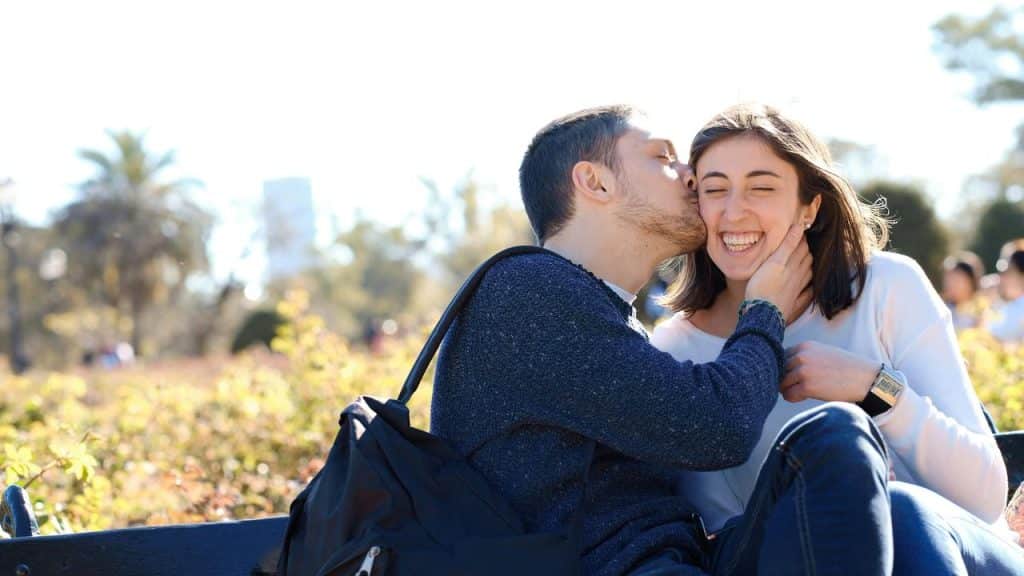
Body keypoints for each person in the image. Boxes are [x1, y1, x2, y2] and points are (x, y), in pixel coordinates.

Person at [433, 105, 900, 575]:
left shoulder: (600, 312)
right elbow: (719, 426)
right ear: (595, 182)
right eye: (663, 157)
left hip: (682, 560)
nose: (690, 175)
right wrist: (766, 310)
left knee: (839, 443)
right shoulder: (528, 291)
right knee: (836, 440)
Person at [651, 103, 1023, 575]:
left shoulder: (887, 287)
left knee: (899, 509)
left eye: (761, 187)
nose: (734, 210)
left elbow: (985, 494)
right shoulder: (676, 350)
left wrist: (875, 388)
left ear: (810, 207)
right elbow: (727, 538)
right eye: (714, 189)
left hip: (967, 550)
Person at [989, 243, 1024, 343]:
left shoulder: (1020, 307)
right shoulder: (1007, 305)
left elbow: (994, 335)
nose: (1001, 277)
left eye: (1006, 270)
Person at [942, 251, 985, 330]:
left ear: (971, 282)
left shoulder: (982, 309)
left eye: (956, 280)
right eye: (948, 280)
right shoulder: (942, 307)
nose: (950, 285)